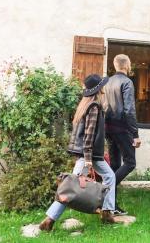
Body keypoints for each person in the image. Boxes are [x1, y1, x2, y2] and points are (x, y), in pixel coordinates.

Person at [39, 74, 116, 231]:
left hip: (91, 154)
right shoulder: (94, 107)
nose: (104, 88)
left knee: (109, 176)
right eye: (102, 86)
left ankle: (107, 212)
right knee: (70, 187)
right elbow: (88, 135)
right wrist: (88, 158)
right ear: (98, 89)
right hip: (88, 154)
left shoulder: (86, 105)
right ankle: (49, 220)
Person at [104, 54, 141, 216]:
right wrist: (135, 134)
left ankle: (111, 206)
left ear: (115, 65)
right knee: (130, 162)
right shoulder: (127, 82)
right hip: (122, 129)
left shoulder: (107, 82)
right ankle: (105, 189)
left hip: (108, 129)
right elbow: (129, 110)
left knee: (115, 166)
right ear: (127, 65)